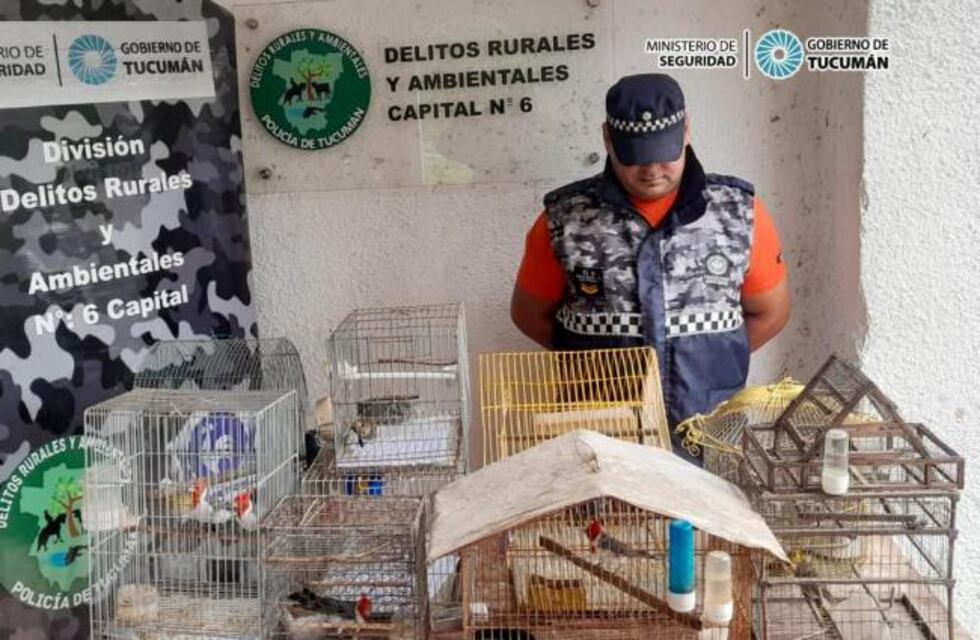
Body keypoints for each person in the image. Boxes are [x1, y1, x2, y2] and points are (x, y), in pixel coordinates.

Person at [511, 73, 790, 455]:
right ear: (607, 138)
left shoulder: (737, 213)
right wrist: (589, 368)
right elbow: (529, 315)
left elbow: (771, 312)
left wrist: (712, 365)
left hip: (707, 432)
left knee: (706, 514)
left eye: (664, 152)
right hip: (603, 435)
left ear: (686, 130)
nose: (652, 170)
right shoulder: (566, 220)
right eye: (636, 157)